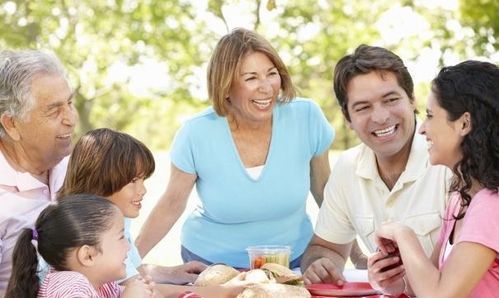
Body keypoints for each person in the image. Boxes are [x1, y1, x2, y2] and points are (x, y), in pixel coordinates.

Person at [135, 28, 335, 269]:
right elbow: (171, 204)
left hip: (293, 260)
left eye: (271, 74)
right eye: (251, 78)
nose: (266, 87)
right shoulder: (196, 133)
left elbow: (326, 192)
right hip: (212, 264)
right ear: (226, 86)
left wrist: (352, 254)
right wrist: (128, 263)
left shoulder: (306, 117)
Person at [300, 44, 452, 285]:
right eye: (363, 107)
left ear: (412, 99)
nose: (381, 117)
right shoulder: (348, 167)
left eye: (390, 100)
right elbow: (326, 247)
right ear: (348, 118)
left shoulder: (452, 160)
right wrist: (320, 264)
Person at [58, 128, 242, 298]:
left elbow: (133, 279)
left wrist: (171, 273)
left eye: (143, 179)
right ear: (100, 181)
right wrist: (222, 292)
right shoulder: (81, 239)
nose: (143, 190)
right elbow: (136, 288)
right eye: (133, 180)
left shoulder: (115, 221)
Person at [368, 60, 499, 297]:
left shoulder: (491, 204)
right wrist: (397, 283)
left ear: (464, 123)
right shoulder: (461, 199)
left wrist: (403, 234)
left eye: (430, 115)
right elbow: (430, 285)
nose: (422, 129)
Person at [0, 49, 77, 293]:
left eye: (70, 103)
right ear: (11, 123)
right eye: (54, 110)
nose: (71, 119)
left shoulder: (76, 170)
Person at [6, 194, 154, 297]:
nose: (128, 247)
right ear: (88, 256)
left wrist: (141, 291)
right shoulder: (68, 287)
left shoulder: (103, 284)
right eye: (121, 237)